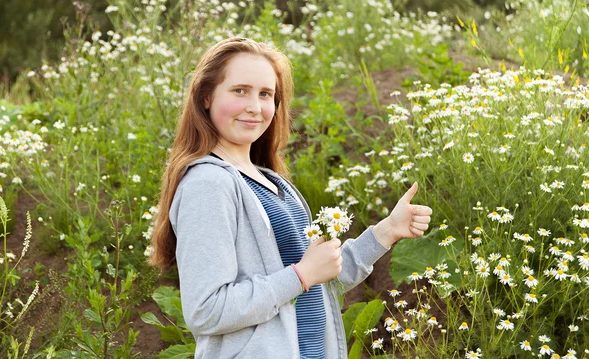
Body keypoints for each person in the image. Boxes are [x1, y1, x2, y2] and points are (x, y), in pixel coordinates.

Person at [149, 36, 432, 358]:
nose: (254, 107)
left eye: (266, 94)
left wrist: (386, 232)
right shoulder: (208, 184)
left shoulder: (269, 180)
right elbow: (208, 311)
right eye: (239, 90)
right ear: (205, 97)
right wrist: (302, 275)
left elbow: (316, 284)